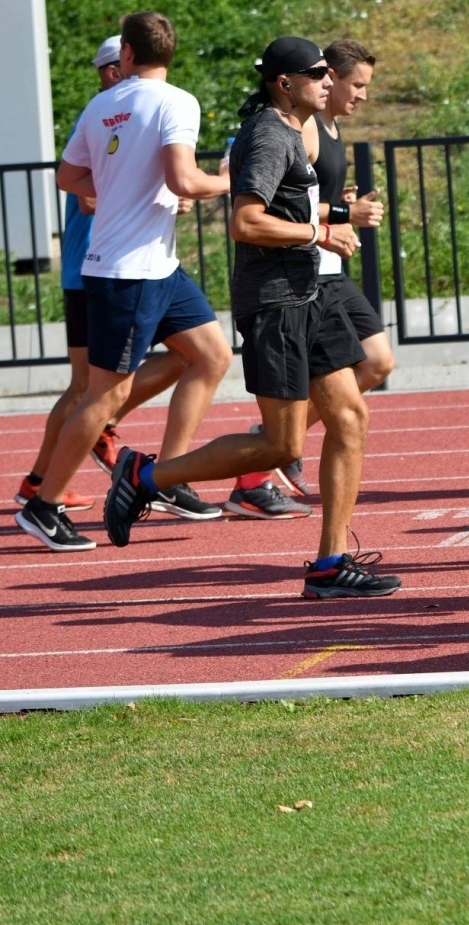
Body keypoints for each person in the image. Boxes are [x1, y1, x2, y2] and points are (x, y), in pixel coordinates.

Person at [102, 36, 400, 600]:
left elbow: (291, 206)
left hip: (313, 295)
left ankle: (329, 564)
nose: (330, 82)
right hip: (277, 304)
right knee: (281, 447)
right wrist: (321, 232)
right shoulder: (268, 133)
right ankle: (145, 476)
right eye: (318, 74)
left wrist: (332, 217)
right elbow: (246, 221)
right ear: (285, 83)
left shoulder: (292, 129)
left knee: (351, 419)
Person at [17, 13, 234, 552]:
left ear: (128, 56)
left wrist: (120, 188)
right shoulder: (177, 101)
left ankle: (166, 477)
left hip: (157, 265)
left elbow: (69, 177)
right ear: (169, 54)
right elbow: (183, 179)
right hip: (126, 271)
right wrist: (231, 180)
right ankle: (43, 505)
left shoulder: (102, 105)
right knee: (101, 395)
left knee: (210, 355)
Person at [13, 35, 187, 518]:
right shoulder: (106, 112)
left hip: (124, 265)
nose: (118, 74)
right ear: (114, 69)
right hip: (94, 269)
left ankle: (53, 471)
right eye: (112, 67)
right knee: (86, 389)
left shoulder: (127, 112)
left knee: (186, 357)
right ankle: (44, 484)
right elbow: (87, 195)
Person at [227, 37, 389, 518]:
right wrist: (337, 217)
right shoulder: (294, 130)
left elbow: (297, 199)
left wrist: (336, 216)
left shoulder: (309, 127)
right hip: (298, 279)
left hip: (316, 272)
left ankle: (329, 554)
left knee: (367, 384)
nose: (359, 93)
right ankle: (254, 464)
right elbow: (259, 214)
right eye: (352, 83)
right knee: (292, 434)